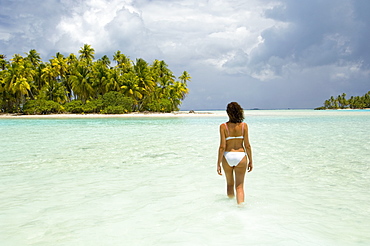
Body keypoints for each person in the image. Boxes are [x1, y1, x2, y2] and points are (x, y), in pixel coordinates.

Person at [217, 102, 253, 204]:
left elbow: (222, 146)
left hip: (227, 155)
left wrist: (218, 163)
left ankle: (229, 206)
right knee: (239, 186)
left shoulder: (223, 126)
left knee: (229, 184)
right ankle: (240, 208)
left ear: (228, 113)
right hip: (241, 156)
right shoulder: (244, 126)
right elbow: (247, 145)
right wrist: (250, 160)